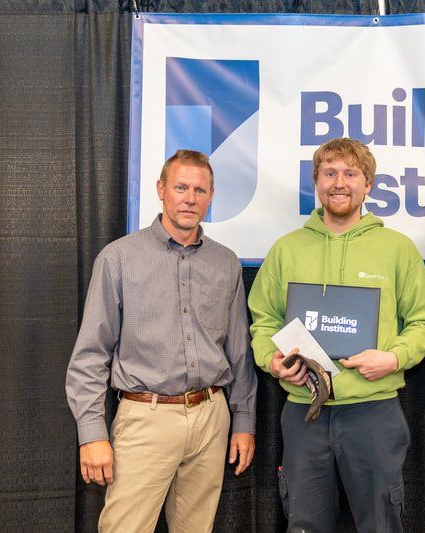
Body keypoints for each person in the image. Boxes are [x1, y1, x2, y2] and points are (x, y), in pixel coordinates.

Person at [248, 137, 425, 533]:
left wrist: (394, 358)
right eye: (330, 173)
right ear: (316, 182)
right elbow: (263, 319)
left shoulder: (397, 249)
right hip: (304, 413)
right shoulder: (286, 250)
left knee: (380, 524)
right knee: (304, 525)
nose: (340, 182)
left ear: (368, 184)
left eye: (351, 174)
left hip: (373, 411)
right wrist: (272, 360)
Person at [65, 149, 257, 532]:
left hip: (211, 417)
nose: (190, 198)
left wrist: (244, 420)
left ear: (211, 196)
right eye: (181, 187)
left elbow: (238, 352)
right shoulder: (118, 258)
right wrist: (92, 435)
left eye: (200, 190)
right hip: (145, 418)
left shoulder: (226, 262)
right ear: (160, 190)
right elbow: (90, 355)